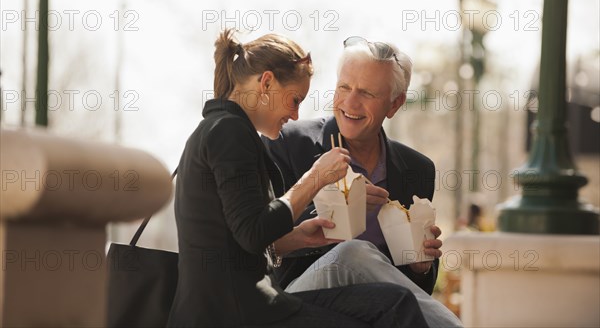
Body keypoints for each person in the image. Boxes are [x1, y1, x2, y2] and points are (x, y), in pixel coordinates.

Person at [166, 30, 430, 327]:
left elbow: (239, 240)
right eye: (294, 100)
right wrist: (315, 178)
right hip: (237, 310)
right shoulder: (229, 132)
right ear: (266, 83)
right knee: (390, 307)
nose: (295, 115)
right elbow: (253, 231)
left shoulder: (223, 129)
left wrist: (297, 238)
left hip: (241, 304)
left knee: (394, 303)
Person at [262, 36, 463, 327]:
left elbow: (410, 293)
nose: (350, 102)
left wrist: (419, 266)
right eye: (344, 87)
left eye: (367, 93)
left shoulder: (417, 170)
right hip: (296, 302)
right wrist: (332, 209)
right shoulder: (289, 144)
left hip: (372, 312)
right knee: (354, 252)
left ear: (394, 104)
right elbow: (258, 239)